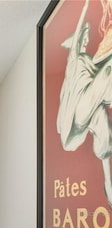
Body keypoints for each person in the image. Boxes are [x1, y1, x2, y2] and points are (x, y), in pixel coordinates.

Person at [57, 0, 112, 205]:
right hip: (80, 112)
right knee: (106, 74)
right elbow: (80, 27)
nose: (87, 39)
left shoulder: (89, 60)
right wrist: (85, 7)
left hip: (90, 107)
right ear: (78, 40)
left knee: (104, 127)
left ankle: (109, 185)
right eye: (84, 37)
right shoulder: (75, 60)